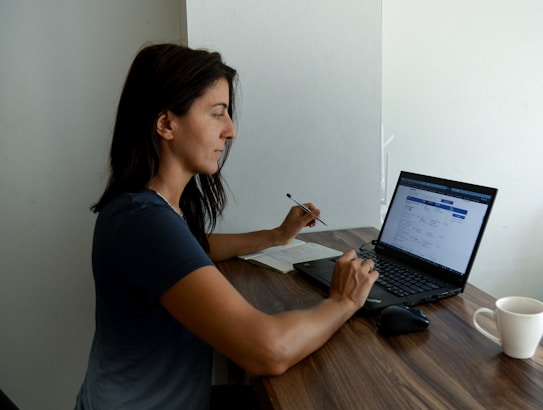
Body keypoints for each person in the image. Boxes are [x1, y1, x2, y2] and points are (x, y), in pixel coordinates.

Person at [75, 43, 379, 410]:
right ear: (166, 123)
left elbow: (194, 248)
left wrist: (276, 236)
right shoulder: (145, 223)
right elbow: (268, 351)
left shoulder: (149, 208)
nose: (231, 131)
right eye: (218, 114)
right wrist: (343, 301)